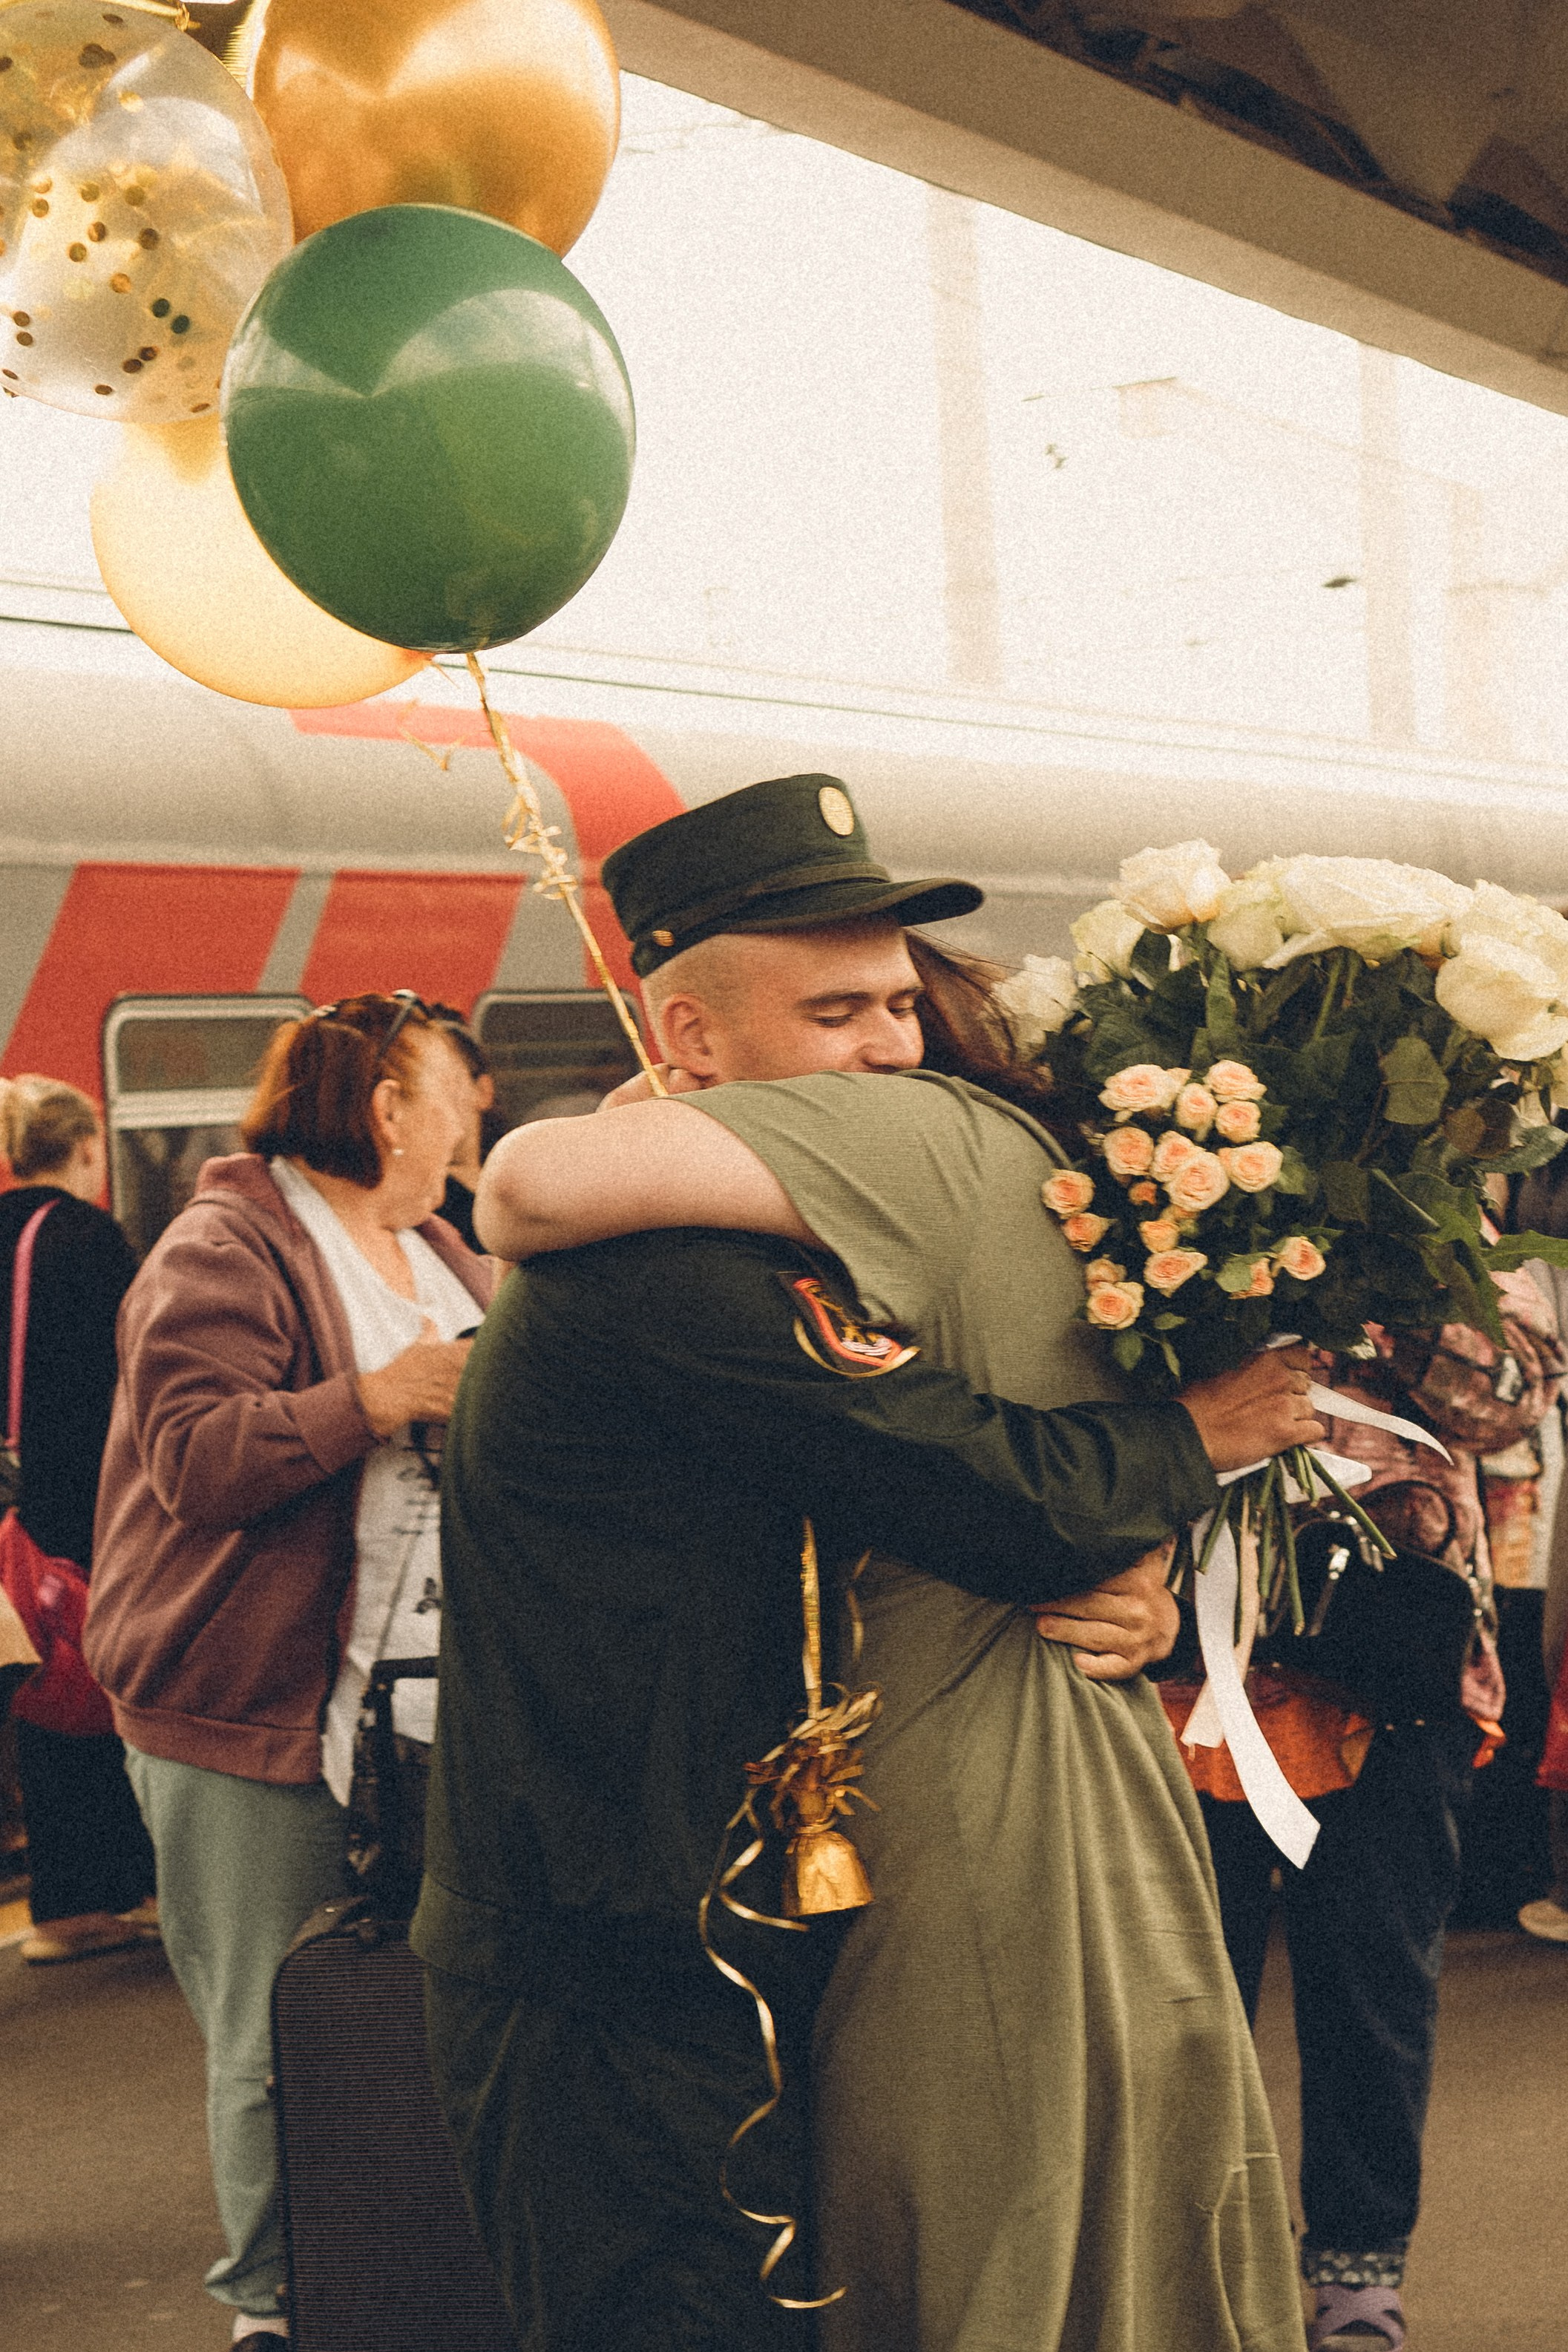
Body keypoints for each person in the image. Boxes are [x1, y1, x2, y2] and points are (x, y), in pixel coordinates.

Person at [417, 774, 1319, 2352]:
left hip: (701, 1920)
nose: (894, 1049)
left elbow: (913, 1512)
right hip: (612, 1953)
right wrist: (1192, 1442)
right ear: (691, 1044)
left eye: (901, 1005)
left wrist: (1138, 1584)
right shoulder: (663, 1276)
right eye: (839, 1013)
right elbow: (972, 1484)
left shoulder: (763, 1239)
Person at [84, 993, 493, 2352]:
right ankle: (279, 2308)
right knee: (274, 2027)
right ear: (387, 1108)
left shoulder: (439, 1244)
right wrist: (376, 1396)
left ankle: (400, 2270)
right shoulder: (223, 1245)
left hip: (417, 1700)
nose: (473, 1119)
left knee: (410, 2009)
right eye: (457, 1094)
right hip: (244, 1707)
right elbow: (196, 1457)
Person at [1184, 1277, 1561, 2352]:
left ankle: (1357, 2281)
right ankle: (1185, 2266)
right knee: (1178, 1997)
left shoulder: (1437, 1219)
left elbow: (1515, 1396)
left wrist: (1369, 1278)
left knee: (1373, 1987)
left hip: (1394, 1667)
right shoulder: (1162, 1168)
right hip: (1186, 1659)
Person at [0, 1075, 154, 1964]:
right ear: (88, 1149)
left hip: (9, 1505)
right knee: (84, 1680)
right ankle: (92, 1892)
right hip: (80, 1497)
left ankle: (68, 1894)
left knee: (30, 1686)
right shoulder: (90, 1240)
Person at [427, 1004, 500, 1254]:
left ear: (483, 1091)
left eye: (441, 1078)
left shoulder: (514, 1179)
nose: (426, 1096)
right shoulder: (421, 1206)